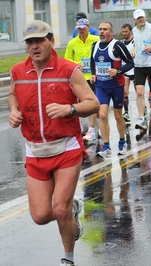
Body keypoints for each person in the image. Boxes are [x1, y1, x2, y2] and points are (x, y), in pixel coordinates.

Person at [8, 20, 100, 266]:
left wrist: (69, 108)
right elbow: (12, 94)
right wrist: (13, 110)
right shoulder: (17, 72)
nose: (35, 46)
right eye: (30, 42)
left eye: (39, 40)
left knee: (60, 208)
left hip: (66, 147)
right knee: (40, 216)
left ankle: (68, 258)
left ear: (51, 41)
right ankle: (73, 209)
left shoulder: (69, 70)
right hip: (35, 150)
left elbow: (92, 103)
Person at [90, 21, 135, 158]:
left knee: (117, 116)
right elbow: (93, 61)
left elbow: (130, 62)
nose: (102, 31)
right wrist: (93, 73)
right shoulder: (95, 45)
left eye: (105, 29)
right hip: (101, 87)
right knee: (102, 115)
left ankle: (122, 142)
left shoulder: (117, 45)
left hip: (116, 86)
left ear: (111, 32)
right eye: (100, 29)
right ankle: (107, 146)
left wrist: (119, 71)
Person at [65, 18, 100, 144]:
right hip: (79, 78)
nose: (81, 31)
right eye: (79, 29)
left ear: (88, 28)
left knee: (93, 104)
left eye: (83, 28)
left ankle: (91, 130)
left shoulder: (96, 40)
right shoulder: (72, 43)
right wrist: (76, 64)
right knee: (80, 104)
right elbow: (67, 59)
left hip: (93, 77)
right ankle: (88, 126)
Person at [120, 23, 135, 123]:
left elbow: (138, 50)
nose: (124, 33)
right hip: (125, 69)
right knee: (125, 92)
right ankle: (126, 113)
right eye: (123, 32)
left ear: (130, 31)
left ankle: (144, 109)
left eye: (126, 31)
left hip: (135, 69)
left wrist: (135, 53)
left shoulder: (135, 42)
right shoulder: (121, 43)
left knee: (139, 92)